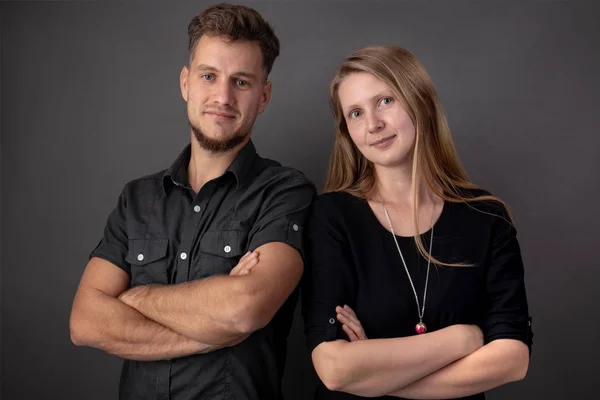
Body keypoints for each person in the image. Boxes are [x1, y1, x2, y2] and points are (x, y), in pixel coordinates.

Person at [69, 3, 315, 399]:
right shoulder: (137, 198)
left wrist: (135, 298)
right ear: (186, 83)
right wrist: (213, 334)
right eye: (208, 75)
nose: (222, 96)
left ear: (264, 96)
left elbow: (245, 309)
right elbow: (85, 321)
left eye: (241, 82)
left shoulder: (284, 192)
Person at [301, 45, 533, 399]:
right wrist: (461, 339)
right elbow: (333, 369)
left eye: (385, 101)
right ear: (347, 130)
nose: (373, 124)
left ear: (419, 100)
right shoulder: (332, 217)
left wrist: (375, 378)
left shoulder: (486, 219)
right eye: (356, 113)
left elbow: (512, 359)